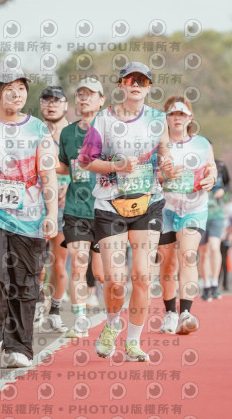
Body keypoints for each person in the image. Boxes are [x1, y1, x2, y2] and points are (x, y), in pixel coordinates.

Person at [78, 62, 175, 361]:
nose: (136, 85)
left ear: (149, 87)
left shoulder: (158, 119)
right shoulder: (104, 119)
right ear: (121, 84)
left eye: (142, 81)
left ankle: (133, 342)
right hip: (110, 205)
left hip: (148, 203)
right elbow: (85, 161)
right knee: (116, 280)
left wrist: (169, 167)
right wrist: (117, 166)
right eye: (130, 80)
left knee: (143, 277)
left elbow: (165, 156)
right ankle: (111, 325)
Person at [0, 61, 58, 368]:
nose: (17, 94)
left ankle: (19, 346)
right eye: (9, 89)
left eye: (21, 88)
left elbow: (48, 174)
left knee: (25, 282)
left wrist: (52, 213)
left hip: (30, 216)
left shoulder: (38, 129)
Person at [157, 97, 216, 334]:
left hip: (194, 208)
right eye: (172, 114)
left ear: (190, 117)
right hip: (165, 209)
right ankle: (170, 313)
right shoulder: (158, 144)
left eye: (182, 114)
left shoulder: (202, 143)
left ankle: (186, 313)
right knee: (168, 264)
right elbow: (149, 175)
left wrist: (211, 179)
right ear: (166, 118)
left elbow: (211, 168)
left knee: (188, 256)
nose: (177, 118)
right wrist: (165, 175)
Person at [58, 77, 106, 338]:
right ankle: (80, 319)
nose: (84, 98)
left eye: (90, 94)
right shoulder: (67, 133)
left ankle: (112, 318)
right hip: (76, 209)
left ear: (102, 100)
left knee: (101, 273)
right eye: (80, 94)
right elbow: (64, 166)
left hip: (107, 209)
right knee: (78, 262)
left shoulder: (111, 130)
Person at [37, 86, 70, 333]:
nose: (51, 105)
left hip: (65, 205)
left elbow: (84, 166)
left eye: (56, 101)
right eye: (47, 100)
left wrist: (71, 185)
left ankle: (55, 310)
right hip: (37, 203)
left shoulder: (74, 133)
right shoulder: (34, 130)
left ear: (65, 105)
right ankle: (38, 303)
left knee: (59, 263)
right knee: (37, 262)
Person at [198, 155, 230, 301]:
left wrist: (223, 190)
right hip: (199, 214)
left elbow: (228, 183)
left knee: (214, 248)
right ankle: (206, 285)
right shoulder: (195, 165)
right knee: (203, 252)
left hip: (217, 214)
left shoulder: (220, 166)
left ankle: (215, 284)